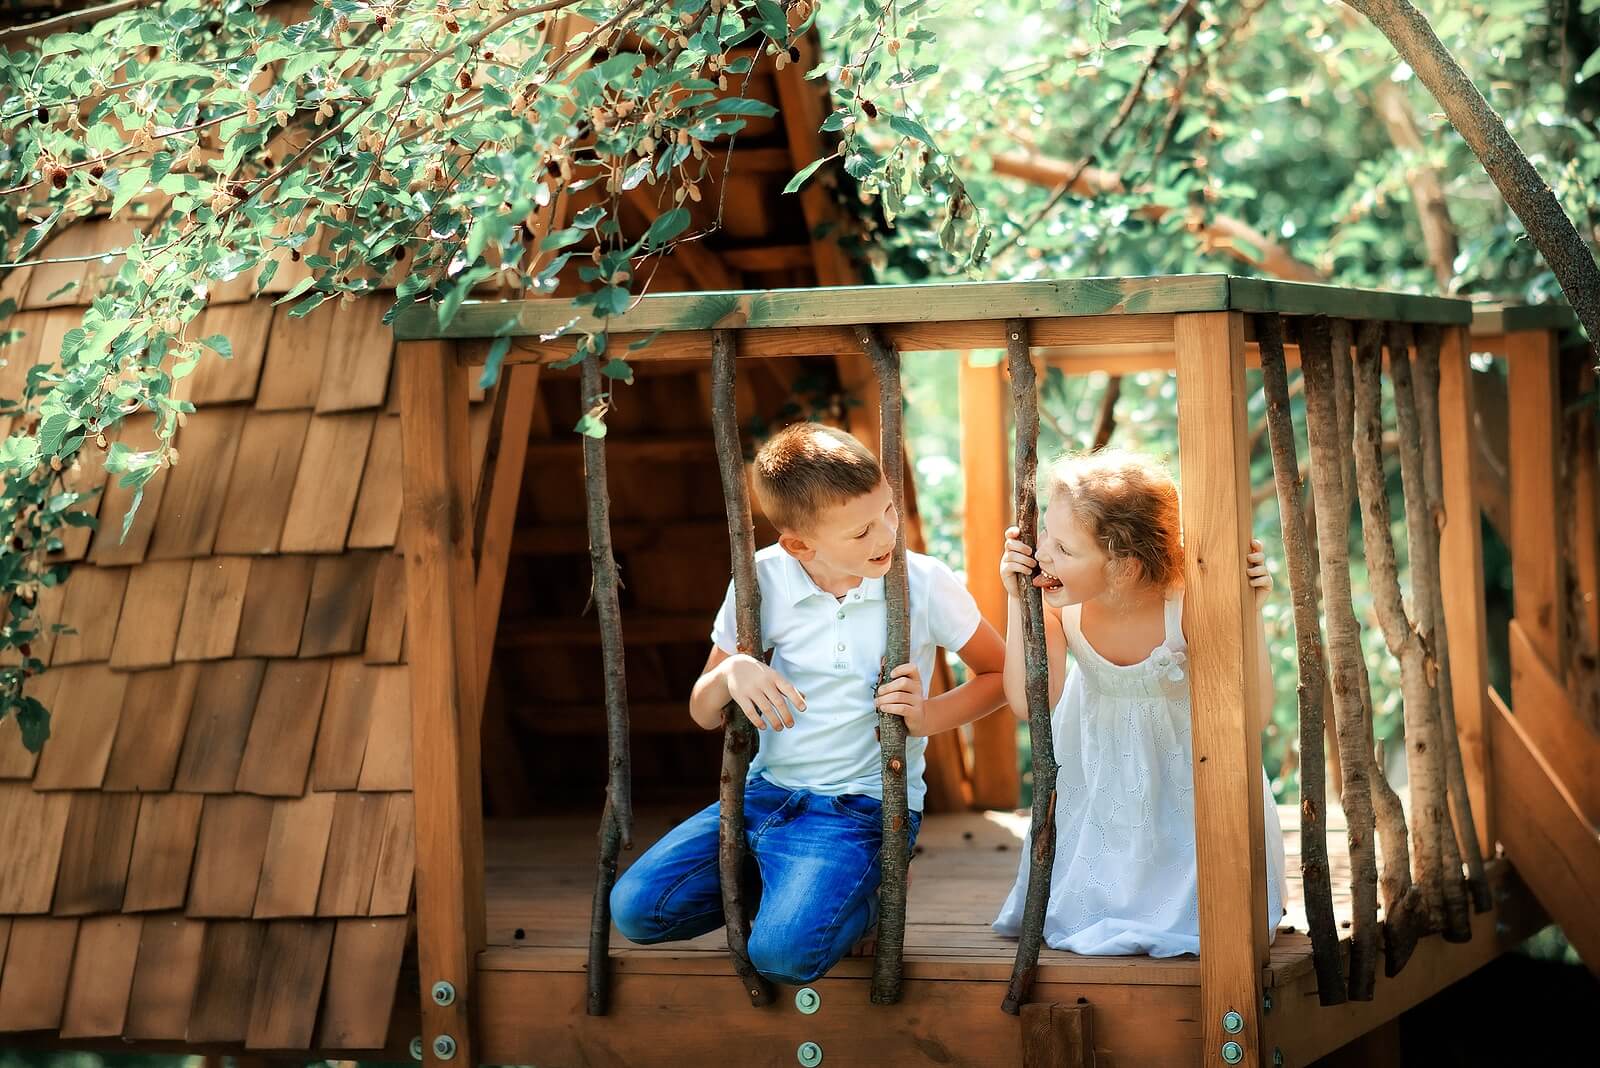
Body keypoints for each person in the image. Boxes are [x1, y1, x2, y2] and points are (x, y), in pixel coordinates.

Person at [610, 422, 1007, 984]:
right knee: (637, 910)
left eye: (888, 511)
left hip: (858, 809)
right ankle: (797, 889)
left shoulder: (922, 582)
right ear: (799, 544)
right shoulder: (762, 578)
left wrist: (928, 716)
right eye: (861, 531)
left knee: (783, 955)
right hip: (763, 795)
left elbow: (1000, 673)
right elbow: (702, 710)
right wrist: (734, 671)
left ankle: (870, 893)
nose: (886, 535)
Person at [993, 448, 1287, 956]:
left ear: (1124, 567)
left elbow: (1256, 714)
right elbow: (1026, 702)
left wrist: (1251, 612)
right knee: (1093, 902)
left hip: (1187, 786)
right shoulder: (1060, 608)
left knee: (1200, 911)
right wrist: (1018, 599)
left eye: (1063, 548)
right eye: (1045, 536)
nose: (1042, 555)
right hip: (1100, 784)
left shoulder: (1185, 604)